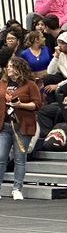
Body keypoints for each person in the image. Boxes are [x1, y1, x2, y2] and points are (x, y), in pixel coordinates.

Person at [1, 56, 43, 201]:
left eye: (11, 66)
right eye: (8, 66)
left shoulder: (30, 84)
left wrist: (21, 105)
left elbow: (37, 104)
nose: (8, 68)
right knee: (1, 157)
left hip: (22, 125)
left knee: (20, 158)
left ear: (19, 68)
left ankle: (17, 188)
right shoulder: (2, 83)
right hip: (4, 125)